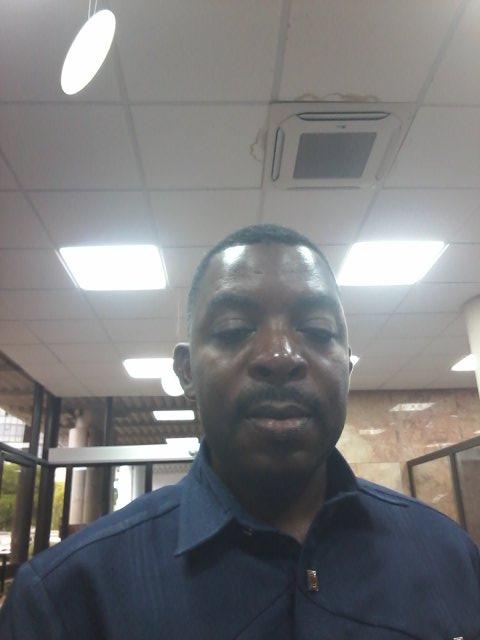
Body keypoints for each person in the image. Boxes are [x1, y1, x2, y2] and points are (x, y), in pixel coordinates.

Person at [1, 224, 479, 639]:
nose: (280, 356)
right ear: (186, 372)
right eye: (233, 329)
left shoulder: (449, 556)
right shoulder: (68, 597)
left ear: (347, 368)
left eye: (317, 329)